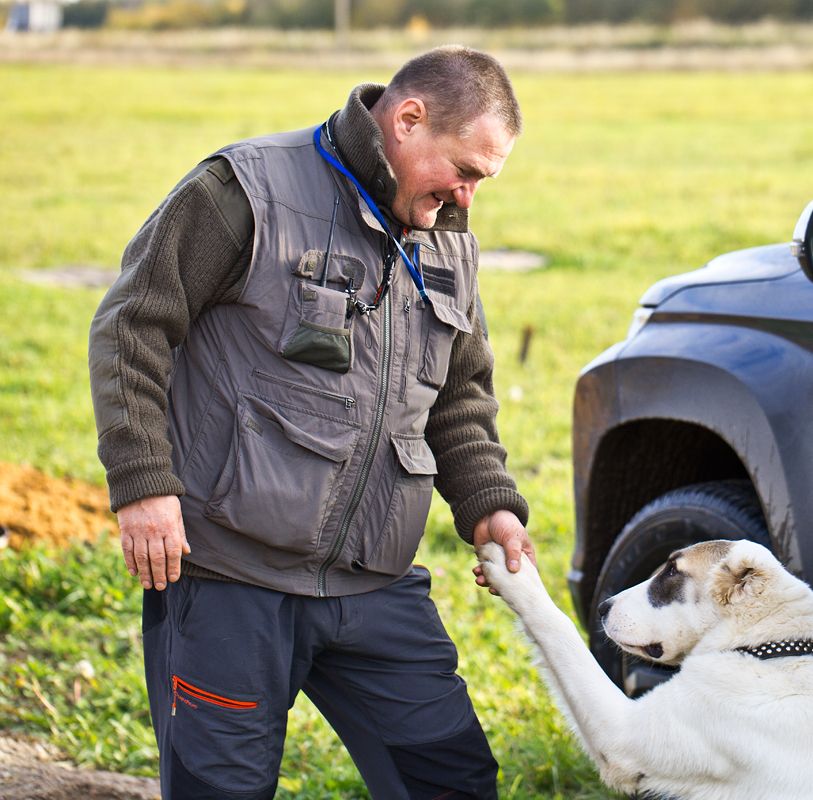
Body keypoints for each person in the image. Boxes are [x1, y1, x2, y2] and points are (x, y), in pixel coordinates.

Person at [88, 45, 535, 800]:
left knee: (454, 781)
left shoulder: (449, 233)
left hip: (375, 585)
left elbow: (459, 392)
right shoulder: (244, 188)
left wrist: (486, 501)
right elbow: (133, 327)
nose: (466, 196)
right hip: (232, 577)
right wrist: (142, 483)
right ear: (408, 118)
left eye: (482, 180)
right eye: (463, 169)